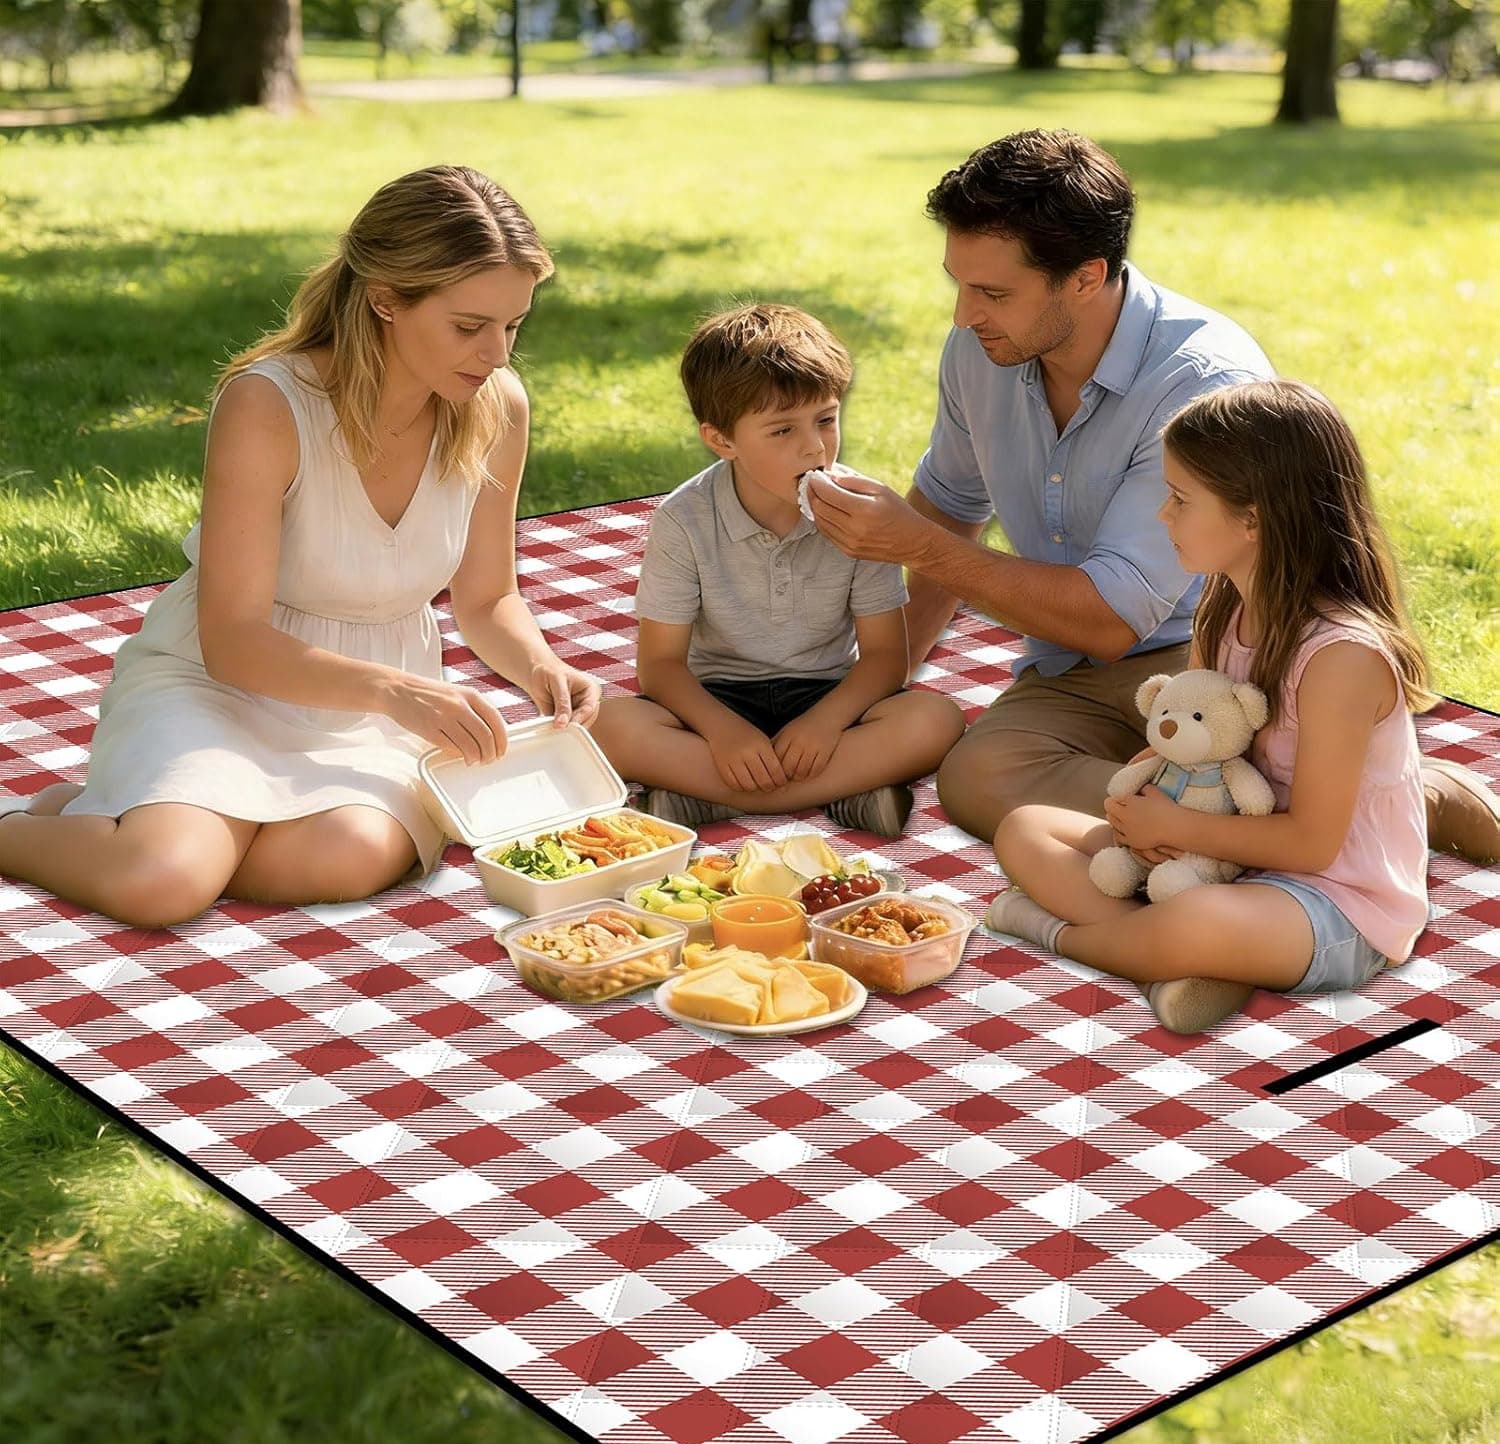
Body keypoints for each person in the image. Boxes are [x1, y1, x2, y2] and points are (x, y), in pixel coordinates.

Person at [806, 128, 1499, 864]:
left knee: (1239, 781)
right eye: (960, 284)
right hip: (1071, 671)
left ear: (1084, 276)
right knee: (978, 776)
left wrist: (915, 544)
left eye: (993, 292)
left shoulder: (1199, 380)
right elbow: (948, 506)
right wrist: (876, 688)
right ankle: (1229, 824)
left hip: (1233, 665)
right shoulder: (983, 349)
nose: (963, 315)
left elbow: (1110, 618)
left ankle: (1378, 796)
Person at [0, 165, 602, 929]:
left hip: (376, 707)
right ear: (386, 298)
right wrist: (393, 691)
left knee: (346, 856)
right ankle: (36, 831)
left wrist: (542, 665)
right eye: (469, 325)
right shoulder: (268, 403)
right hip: (222, 684)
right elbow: (234, 641)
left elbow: (487, 599)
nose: (497, 355)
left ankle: (123, 821)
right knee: (163, 884)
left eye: (513, 325)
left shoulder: (495, 408)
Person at [986, 380, 1436, 1034]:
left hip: (1333, 901)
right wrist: (1140, 794)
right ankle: (1179, 959)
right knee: (1025, 828)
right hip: (1222, 858)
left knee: (1196, 922)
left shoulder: (1343, 658)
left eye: (1179, 499)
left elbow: (1313, 844)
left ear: (1252, 519)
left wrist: (1175, 829)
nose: (1162, 517)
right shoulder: (1225, 608)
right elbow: (1194, 739)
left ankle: (1060, 932)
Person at [590, 303, 965, 837]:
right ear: (722, 440)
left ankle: (709, 799)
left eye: (826, 419)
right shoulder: (684, 519)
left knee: (936, 720)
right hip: (714, 697)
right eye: (782, 430)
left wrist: (825, 723)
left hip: (829, 693)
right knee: (605, 726)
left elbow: (884, 659)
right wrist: (723, 734)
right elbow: (661, 667)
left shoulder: (864, 512)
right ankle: (845, 793)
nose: (814, 447)